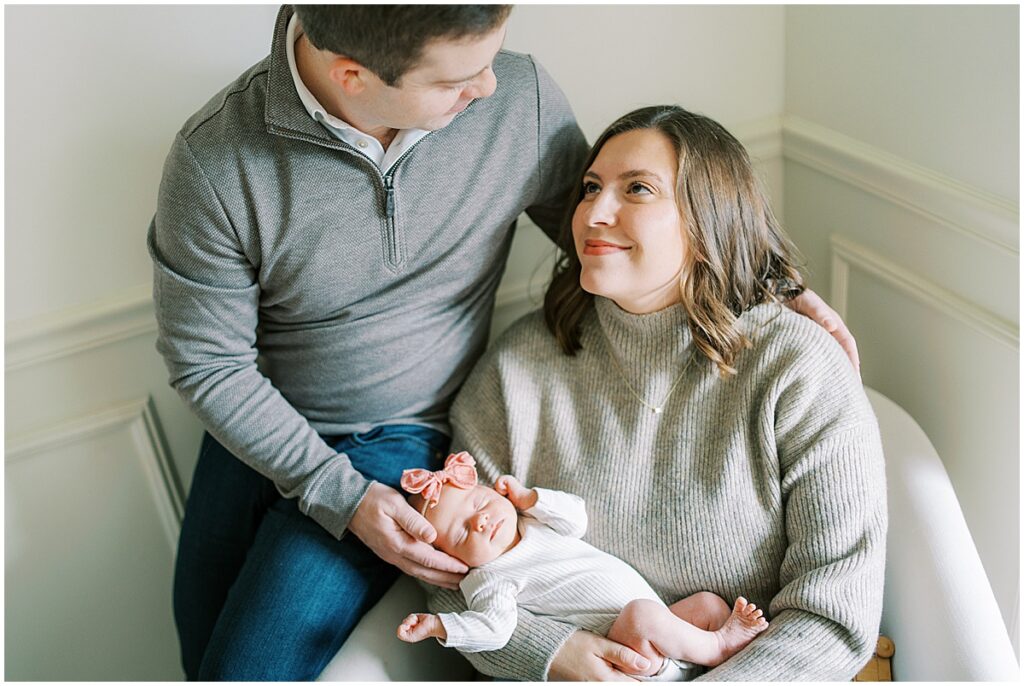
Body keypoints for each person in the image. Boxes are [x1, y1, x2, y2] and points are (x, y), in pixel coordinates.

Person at [148, 4, 859, 680]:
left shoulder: (514, 98)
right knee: (201, 656)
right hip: (257, 422)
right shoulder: (215, 161)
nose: (490, 86)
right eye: (458, 80)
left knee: (250, 671)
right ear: (352, 76)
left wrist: (772, 283)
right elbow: (209, 364)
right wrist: (341, 497)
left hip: (402, 438)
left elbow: (625, 230)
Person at [427, 105, 887, 681]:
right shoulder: (517, 369)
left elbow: (834, 616)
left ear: (707, 219)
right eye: (590, 188)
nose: (595, 212)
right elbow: (446, 579)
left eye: (637, 189)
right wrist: (554, 654)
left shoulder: (798, 368)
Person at [394, 453, 769, 680]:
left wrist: (532, 498)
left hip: (670, 637)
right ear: (451, 560)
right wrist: (442, 626)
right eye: (461, 533)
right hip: (631, 656)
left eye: (479, 504)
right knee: (641, 614)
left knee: (708, 605)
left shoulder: (532, 519)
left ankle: (716, 655)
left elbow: (576, 519)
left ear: (494, 490)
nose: (479, 522)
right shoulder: (489, 579)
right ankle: (718, 647)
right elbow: (495, 628)